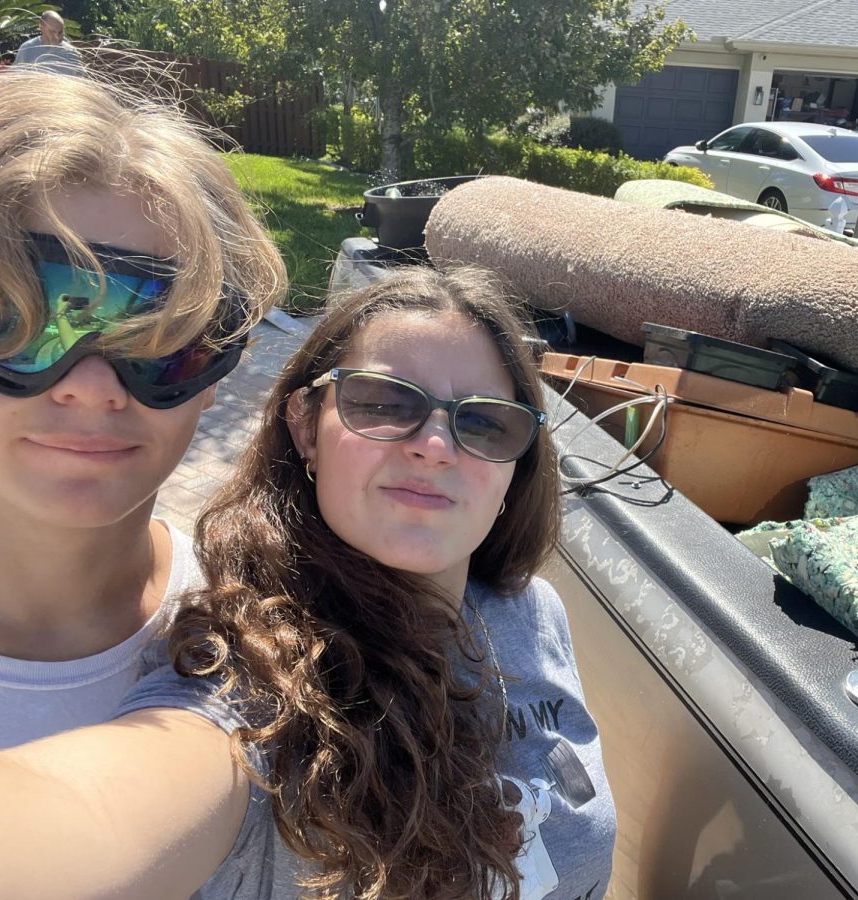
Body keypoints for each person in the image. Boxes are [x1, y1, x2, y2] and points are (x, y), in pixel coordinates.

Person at [150, 267, 617, 899]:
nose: (434, 445)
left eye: (484, 423)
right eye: (382, 402)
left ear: (518, 464)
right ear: (305, 427)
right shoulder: (243, 685)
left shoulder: (531, 612)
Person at [0, 66, 288, 897]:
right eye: (22, 318)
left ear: (217, 371)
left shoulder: (278, 639)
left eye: (163, 337)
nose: (91, 386)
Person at [13, 10, 84, 76]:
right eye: (52, 32)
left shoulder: (72, 53)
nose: (57, 37)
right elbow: (16, 77)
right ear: (41, 27)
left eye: (60, 32)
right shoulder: (27, 49)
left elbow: (80, 81)